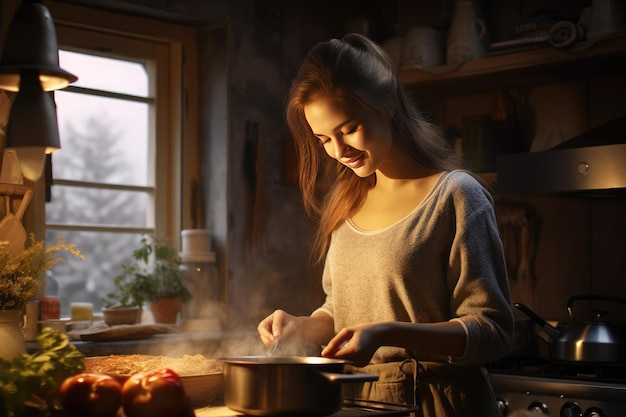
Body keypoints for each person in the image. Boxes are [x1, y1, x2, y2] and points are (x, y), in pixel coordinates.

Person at [257, 33, 513, 417]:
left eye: (349, 128)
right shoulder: (347, 204)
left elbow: (493, 331)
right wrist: (302, 326)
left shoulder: (456, 196)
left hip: (438, 403)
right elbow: (340, 310)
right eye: (324, 138)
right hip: (358, 403)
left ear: (388, 105)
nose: (339, 151)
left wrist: (387, 332)